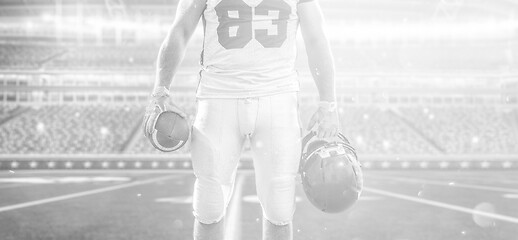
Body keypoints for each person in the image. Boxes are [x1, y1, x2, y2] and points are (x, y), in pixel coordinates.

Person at [147, 0, 339, 239]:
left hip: (277, 97)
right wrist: (160, 90)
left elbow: (316, 39)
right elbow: (180, 30)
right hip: (218, 96)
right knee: (209, 204)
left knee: (279, 206)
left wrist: (328, 103)